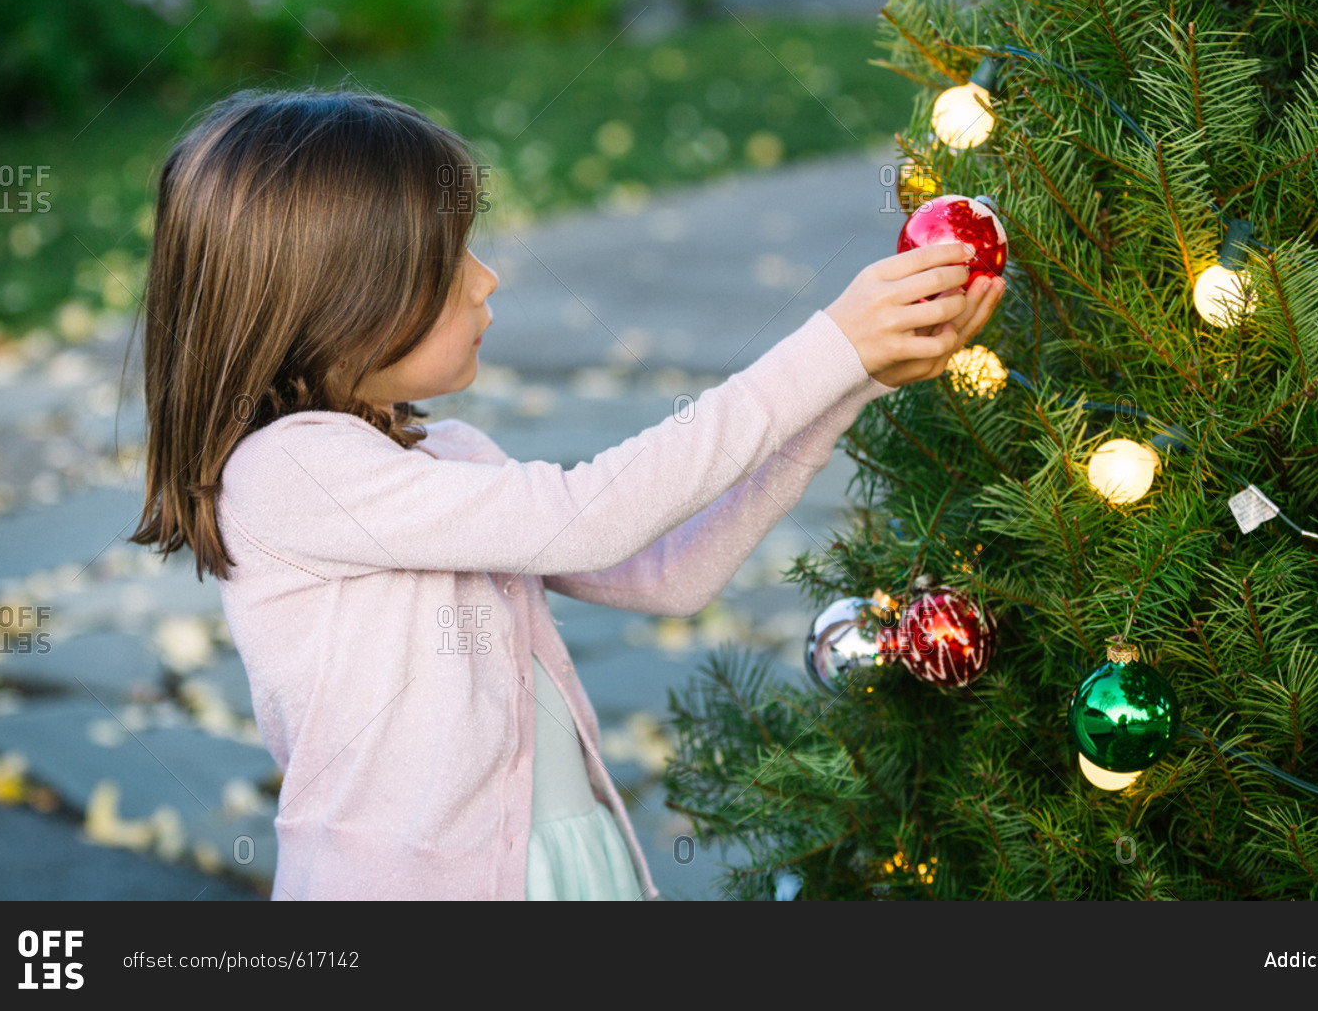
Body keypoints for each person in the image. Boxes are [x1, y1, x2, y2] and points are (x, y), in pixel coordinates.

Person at [129, 86, 1006, 900]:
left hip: (563, 866)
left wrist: (856, 379)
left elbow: (666, 574)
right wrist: (826, 348)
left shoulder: (450, 457)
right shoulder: (288, 473)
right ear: (337, 299)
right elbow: (584, 519)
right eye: (449, 261)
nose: (486, 278)